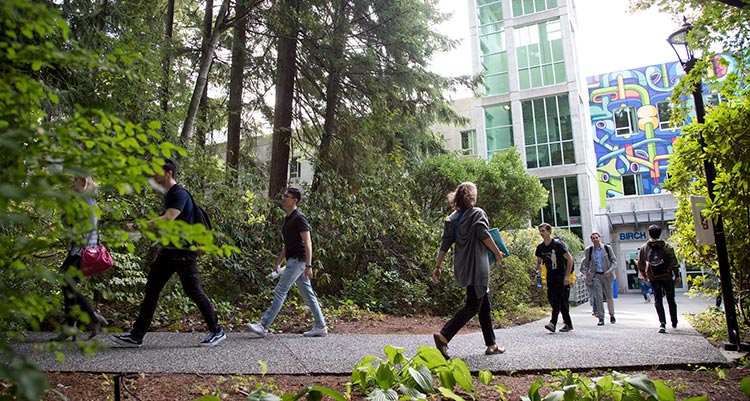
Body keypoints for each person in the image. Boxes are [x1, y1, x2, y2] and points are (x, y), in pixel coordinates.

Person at [113, 159, 225, 347]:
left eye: (157, 172)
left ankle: (217, 330)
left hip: (183, 252)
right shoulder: (171, 194)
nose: (154, 176)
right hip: (169, 252)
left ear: (168, 173)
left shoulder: (179, 193)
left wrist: (137, 225)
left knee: (193, 291)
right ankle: (137, 335)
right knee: (152, 290)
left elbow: (168, 218)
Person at [432, 182, 505, 359]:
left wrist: (437, 266)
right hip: (478, 265)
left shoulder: (452, 218)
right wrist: (497, 253)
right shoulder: (477, 213)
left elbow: (445, 243)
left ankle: (491, 344)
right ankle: (444, 335)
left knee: (484, 305)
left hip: (463, 266)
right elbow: (483, 234)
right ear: (472, 196)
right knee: (473, 305)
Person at [247, 187, 327, 338]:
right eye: (284, 195)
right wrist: (278, 262)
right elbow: (287, 244)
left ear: (294, 200)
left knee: (280, 290)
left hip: (298, 260)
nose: (283, 198)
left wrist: (309, 266)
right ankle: (320, 326)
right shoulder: (289, 218)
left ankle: (264, 325)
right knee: (308, 295)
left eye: (287, 196)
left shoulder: (299, 218)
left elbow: (308, 242)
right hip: (293, 260)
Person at [55, 176, 108, 341]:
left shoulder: (86, 200)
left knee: (67, 284)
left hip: (83, 250)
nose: (73, 181)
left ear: (84, 182)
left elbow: (80, 225)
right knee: (67, 285)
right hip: (78, 249)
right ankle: (71, 326)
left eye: (76, 179)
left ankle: (93, 318)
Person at [638, 224, 680, 334]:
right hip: (666, 276)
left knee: (658, 298)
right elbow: (673, 261)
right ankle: (674, 321)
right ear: (660, 233)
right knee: (671, 298)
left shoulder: (645, 247)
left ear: (649, 233)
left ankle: (662, 323)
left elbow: (641, 263)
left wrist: (645, 275)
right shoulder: (666, 246)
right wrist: (677, 275)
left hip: (654, 277)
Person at [536, 223, 574, 333]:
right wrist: (538, 275)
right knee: (554, 299)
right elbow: (539, 262)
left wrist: (567, 276)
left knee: (557, 299)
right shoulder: (540, 247)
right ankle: (568, 323)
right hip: (550, 276)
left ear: (549, 231)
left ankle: (553, 323)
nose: (541, 233)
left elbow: (569, 259)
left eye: (543, 231)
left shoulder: (558, 244)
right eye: (540, 231)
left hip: (560, 276)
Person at [580, 232, 617, 326]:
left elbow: (614, 261)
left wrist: (610, 270)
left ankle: (612, 314)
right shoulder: (589, 250)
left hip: (607, 275)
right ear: (591, 240)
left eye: (597, 237)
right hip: (596, 275)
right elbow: (585, 264)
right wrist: (585, 274)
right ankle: (601, 318)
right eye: (593, 238)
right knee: (598, 297)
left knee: (609, 296)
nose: (595, 239)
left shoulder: (607, 249)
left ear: (599, 238)